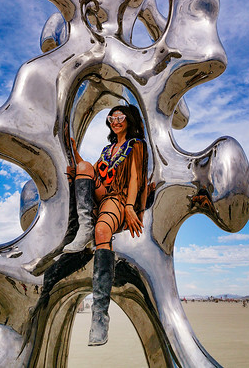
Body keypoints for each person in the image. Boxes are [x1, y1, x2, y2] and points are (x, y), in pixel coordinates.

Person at [63, 104, 148, 346]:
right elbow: (96, 175)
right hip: (102, 196)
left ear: (128, 120)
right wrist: (76, 156)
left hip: (119, 199)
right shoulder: (107, 149)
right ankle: (84, 227)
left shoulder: (135, 145)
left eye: (120, 117)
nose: (116, 121)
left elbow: (134, 177)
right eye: (112, 118)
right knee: (82, 167)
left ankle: (100, 316)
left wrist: (131, 207)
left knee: (103, 231)